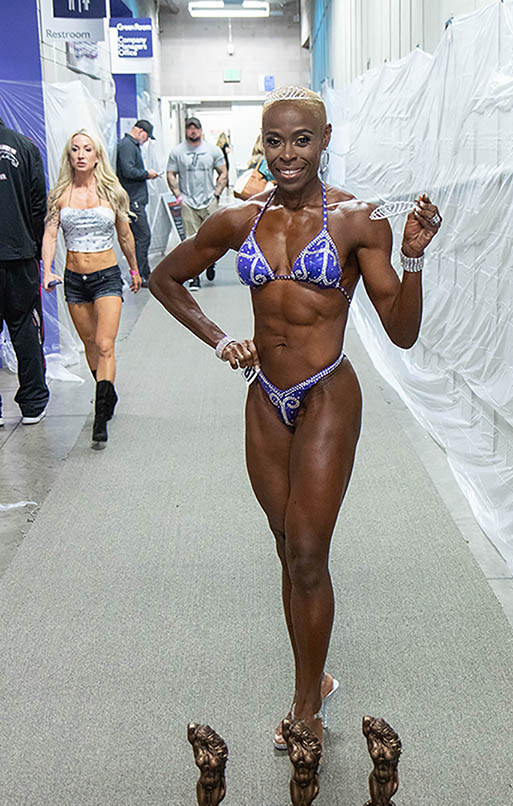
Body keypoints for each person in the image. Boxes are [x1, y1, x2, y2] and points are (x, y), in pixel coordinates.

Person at [150, 85, 442, 749]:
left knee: (308, 551)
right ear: (263, 142)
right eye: (276, 141)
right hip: (264, 397)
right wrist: (220, 339)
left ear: (325, 139)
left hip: (326, 393)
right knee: (286, 545)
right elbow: (165, 278)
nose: (288, 154)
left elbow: (401, 332)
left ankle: (305, 702)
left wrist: (414, 258)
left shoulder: (357, 220)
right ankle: (318, 676)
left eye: (302, 140)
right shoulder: (239, 218)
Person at [41, 129, 141, 446]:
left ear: (97, 155)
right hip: (74, 279)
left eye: (87, 149)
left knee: (104, 343)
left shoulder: (112, 192)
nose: (81, 154)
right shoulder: (60, 195)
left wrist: (134, 268)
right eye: (75, 149)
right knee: (89, 345)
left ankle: (100, 415)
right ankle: (107, 393)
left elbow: (124, 234)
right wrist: (47, 270)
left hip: (106, 276)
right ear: (69, 156)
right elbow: (50, 235)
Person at [0, 116, 49, 427]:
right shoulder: (25, 147)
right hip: (20, 254)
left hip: (20, 252)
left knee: (25, 331)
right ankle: (33, 404)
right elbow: (38, 205)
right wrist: (36, 248)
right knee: (25, 329)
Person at [166, 117, 227, 286]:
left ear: (201, 130)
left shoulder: (213, 150)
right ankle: (194, 276)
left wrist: (217, 193)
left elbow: (223, 172)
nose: (193, 131)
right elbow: (170, 173)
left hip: (209, 200)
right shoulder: (177, 152)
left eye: (196, 128)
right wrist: (178, 195)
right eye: (190, 128)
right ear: (186, 130)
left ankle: (210, 263)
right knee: (191, 241)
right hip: (188, 201)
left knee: (212, 238)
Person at [115, 119, 159, 287]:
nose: (146, 141)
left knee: (139, 237)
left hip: (134, 199)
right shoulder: (127, 146)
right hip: (132, 200)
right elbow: (128, 170)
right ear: (141, 132)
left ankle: (143, 272)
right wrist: (147, 174)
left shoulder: (130, 146)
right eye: (146, 137)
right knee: (143, 236)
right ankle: (141, 273)